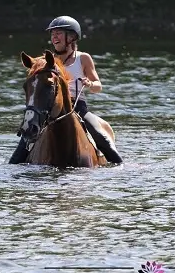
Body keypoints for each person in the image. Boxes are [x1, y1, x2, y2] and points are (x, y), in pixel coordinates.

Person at [9, 16, 123, 164]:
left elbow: (98, 86)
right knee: (24, 142)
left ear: (72, 37)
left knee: (101, 136)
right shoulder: (48, 61)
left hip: (79, 108)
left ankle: (121, 166)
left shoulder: (83, 58)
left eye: (59, 33)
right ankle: (12, 170)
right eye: (52, 34)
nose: (54, 37)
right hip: (52, 108)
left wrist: (89, 83)